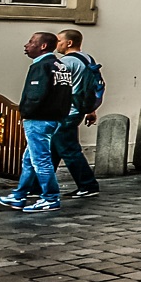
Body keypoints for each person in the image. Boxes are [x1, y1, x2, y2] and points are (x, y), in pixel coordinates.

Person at [0, 32, 73, 213]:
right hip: (54, 118)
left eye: (31, 42)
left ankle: (50, 197)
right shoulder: (60, 66)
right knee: (29, 159)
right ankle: (20, 194)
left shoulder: (41, 66)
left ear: (43, 46)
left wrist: (25, 113)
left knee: (40, 160)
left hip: (39, 119)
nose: (27, 46)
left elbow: (35, 95)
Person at [52, 29, 103, 200]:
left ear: (69, 43)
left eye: (59, 40)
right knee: (54, 148)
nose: (56, 44)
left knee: (69, 149)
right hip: (78, 109)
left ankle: (88, 185)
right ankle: (40, 185)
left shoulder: (65, 62)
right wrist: (90, 109)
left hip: (66, 112)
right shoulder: (88, 59)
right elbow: (89, 87)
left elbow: (59, 89)